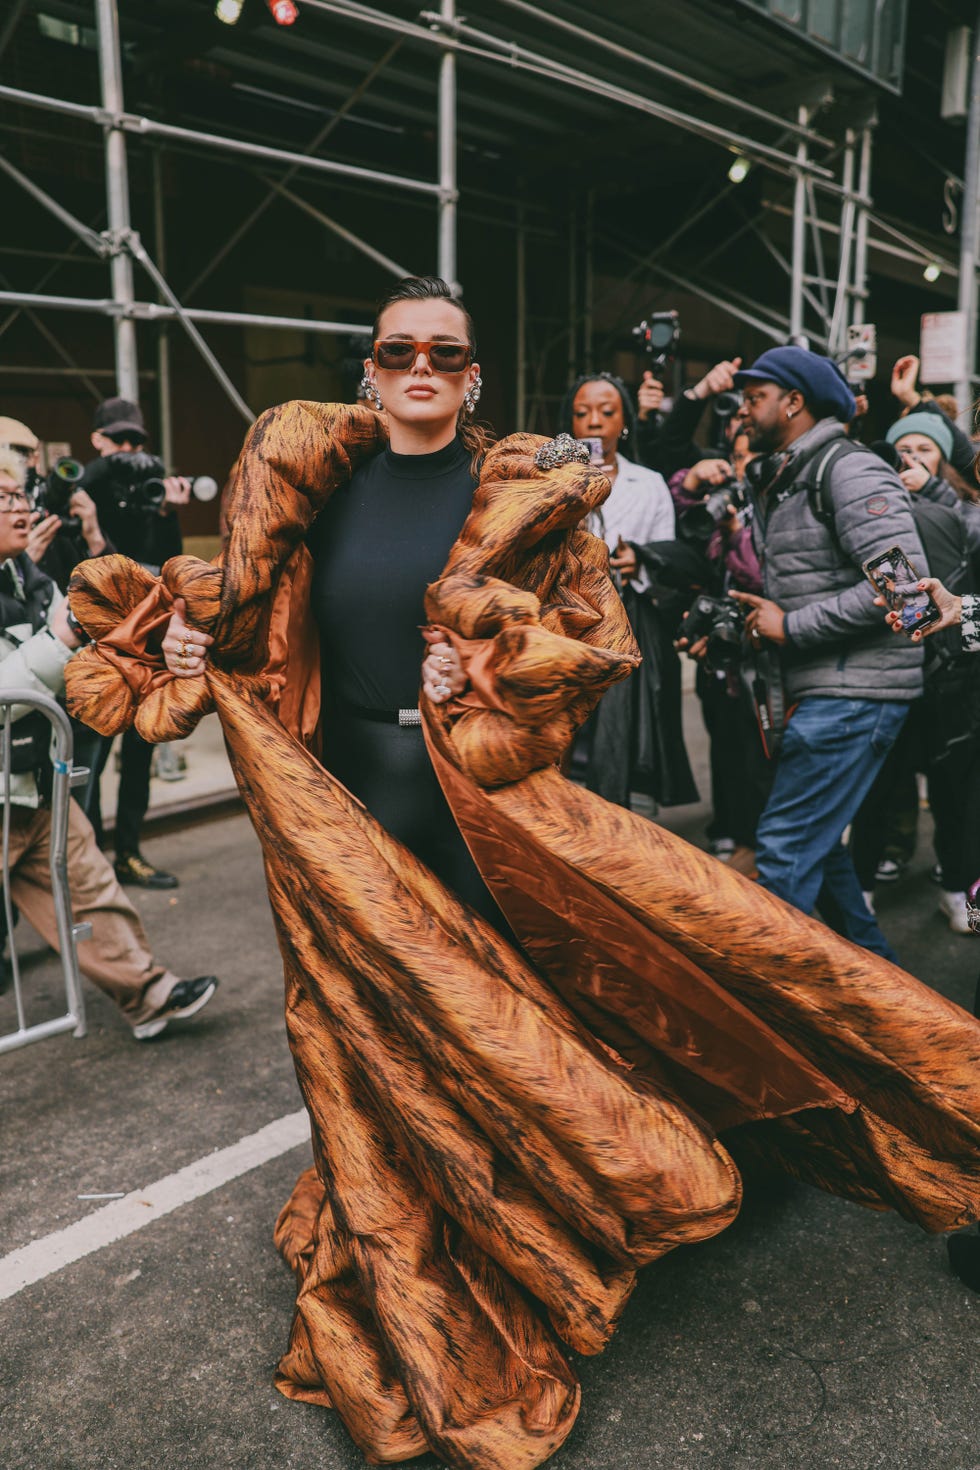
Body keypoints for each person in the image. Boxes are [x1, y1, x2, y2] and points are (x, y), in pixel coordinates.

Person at [65, 280, 980, 1470]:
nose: (420, 367)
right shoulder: (306, 478)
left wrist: (495, 669)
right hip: (339, 814)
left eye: (444, 351)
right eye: (398, 348)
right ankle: (437, 1251)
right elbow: (240, 617)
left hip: (483, 811)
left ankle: (574, 1208)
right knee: (372, 1046)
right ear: (371, 366)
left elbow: (595, 643)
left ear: (474, 372)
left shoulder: (523, 495)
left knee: (539, 1018)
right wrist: (184, 637)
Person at [0, 450, 218, 1040]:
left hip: (35, 786)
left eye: (21, 494)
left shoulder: (28, 573)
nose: (21, 508)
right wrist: (61, 633)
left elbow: (94, 613)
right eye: (5, 498)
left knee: (94, 892)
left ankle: (149, 995)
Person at [729, 345, 928, 962]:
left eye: (755, 396)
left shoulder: (848, 469)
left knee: (784, 854)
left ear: (794, 402)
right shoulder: (787, 477)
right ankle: (893, 1008)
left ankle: (766, 1022)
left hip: (854, 696)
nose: (743, 409)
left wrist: (792, 625)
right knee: (822, 855)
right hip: (827, 690)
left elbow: (908, 589)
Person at [558, 371, 697, 810]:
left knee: (624, 724)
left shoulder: (650, 482)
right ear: (571, 424)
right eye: (583, 413)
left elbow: (667, 554)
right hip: (566, 617)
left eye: (607, 412)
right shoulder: (551, 476)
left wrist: (639, 561)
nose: (595, 422)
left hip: (629, 617)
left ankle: (620, 819)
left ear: (624, 422)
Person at [80, 397, 191, 888]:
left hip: (145, 641)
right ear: (98, 440)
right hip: (94, 646)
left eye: (136, 442)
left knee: (140, 751)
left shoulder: (148, 488)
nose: (128, 450)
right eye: (118, 440)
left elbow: (167, 563)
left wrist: (165, 508)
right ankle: (90, 863)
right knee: (92, 756)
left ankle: (128, 853)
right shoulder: (87, 484)